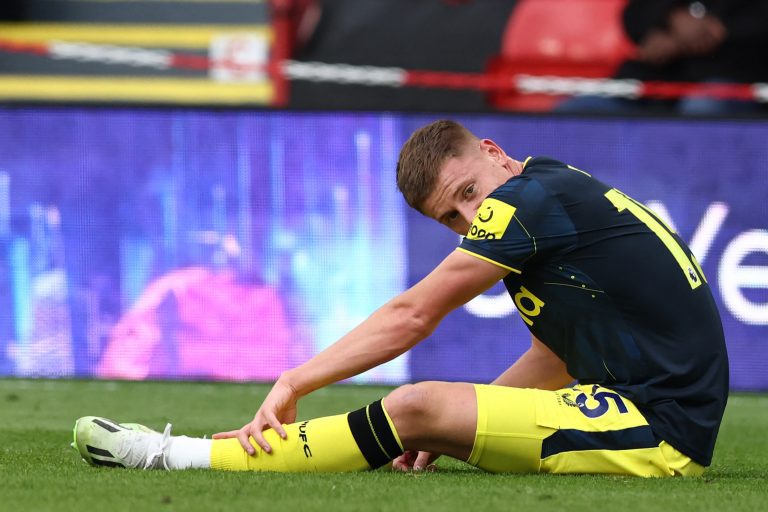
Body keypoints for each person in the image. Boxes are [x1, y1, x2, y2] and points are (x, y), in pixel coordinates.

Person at [73, 120, 729, 476]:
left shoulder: (527, 202)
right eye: (450, 217)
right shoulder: (551, 193)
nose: (469, 220)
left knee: (412, 405)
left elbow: (413, 314)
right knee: (424, 414)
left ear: (495, 153)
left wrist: (294, 379)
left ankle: (174, 456)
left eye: (468, 193)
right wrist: (457, 425)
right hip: (644, 409)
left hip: (658, 430)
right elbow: (553, 357)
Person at [557, 0, 768, 115]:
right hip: (649, 82)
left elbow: (757, 26)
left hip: (731, 83)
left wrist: (698, 35)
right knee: (576, 111)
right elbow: (633, 14)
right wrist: (672, 17)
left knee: (701, 110)